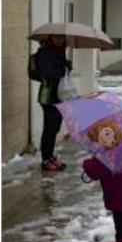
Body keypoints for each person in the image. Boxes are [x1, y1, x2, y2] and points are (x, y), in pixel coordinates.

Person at [33, 35, 71, 171]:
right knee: (49, 128)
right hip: (48, 96)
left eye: (61, 39)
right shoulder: (44, 53)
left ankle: (50, 156)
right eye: (56, 38)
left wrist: (67, 65)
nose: (59, 41)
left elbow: (59, 71)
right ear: (50, 39)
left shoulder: (59, 52)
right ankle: (45, 159)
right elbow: (46, 73)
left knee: (55, 128)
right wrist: (62, 69)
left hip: (59, 96)